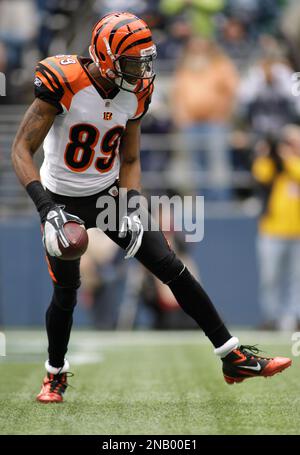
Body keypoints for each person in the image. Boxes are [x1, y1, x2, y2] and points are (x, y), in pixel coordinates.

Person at [12, 11, 291, 403]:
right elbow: (21, 149)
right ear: (106, 56)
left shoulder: (136, 91)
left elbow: (129, 159)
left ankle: (232, 355)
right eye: (132, 61)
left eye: (145, 60)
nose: (141, 70)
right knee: (67, 292)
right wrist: (46, 208)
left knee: (172, 268)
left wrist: (129, 203)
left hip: (108, 194)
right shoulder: (65, 79)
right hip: (60, 198)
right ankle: (54, 374)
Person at [252, 128, 300, 330]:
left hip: (297, 233)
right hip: (271, 231)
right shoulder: (272, 165)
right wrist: (268, 153)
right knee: (270, 277)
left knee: (296, 279)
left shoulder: (292, 164)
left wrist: (287, 156)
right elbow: (260, 172)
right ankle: (271, 317)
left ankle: (293, 317)